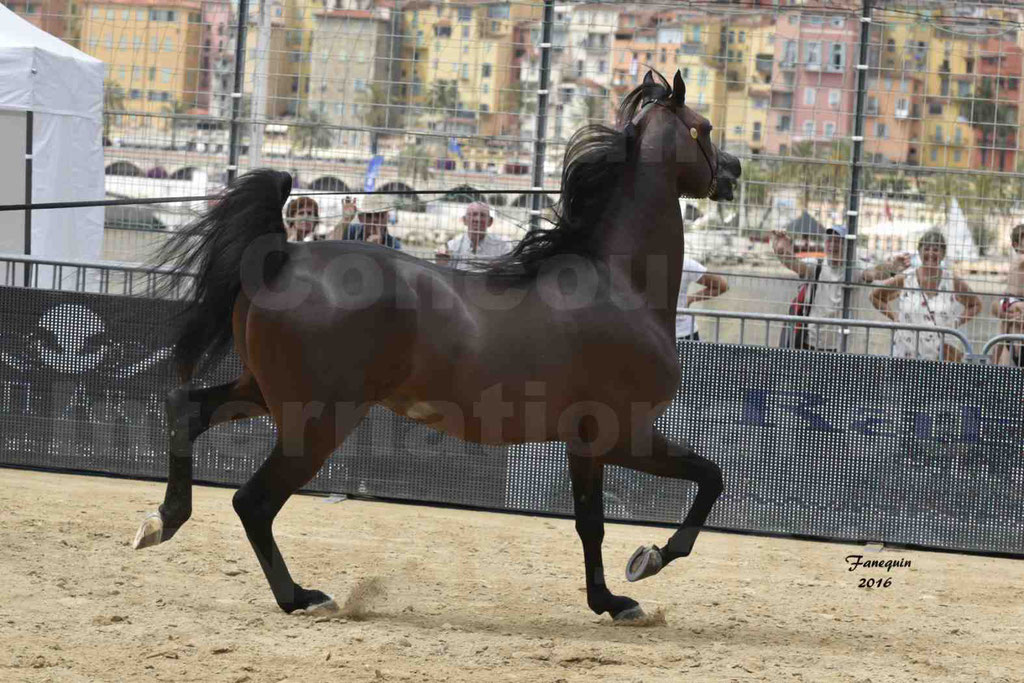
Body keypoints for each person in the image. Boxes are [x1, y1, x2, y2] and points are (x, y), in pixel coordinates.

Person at [771, 224, 910, 351]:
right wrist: (781, 251)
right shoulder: (816, 265)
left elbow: (874, 273)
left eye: (838, 241)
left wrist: (892, 267)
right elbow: (794, 264)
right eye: (829, 240)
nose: (832, 245)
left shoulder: (854, 268)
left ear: (848, 246)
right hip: (811, 340)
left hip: (841, 344)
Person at [870, 230, 981, 362]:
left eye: (936, 249)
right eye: (926, 248)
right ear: (919, 251)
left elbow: (976, 304)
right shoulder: (906, 277)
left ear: (943, 253)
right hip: (906, 352)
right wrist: (895, 318)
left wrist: (956, 322)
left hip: (940, 356)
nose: (931, 253)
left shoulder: (952, 280)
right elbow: (875, 296)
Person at [435, 201, 511, 270]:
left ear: (490, 222)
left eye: (483, 215)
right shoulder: (451, 247)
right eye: (473, 214)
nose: (477, 219)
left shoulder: (502, 246)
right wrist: (441, 265)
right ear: (464, 220)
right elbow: (445, 278)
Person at [991, 224, 1024, 366]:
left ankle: (995, 360)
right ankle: (995, 361)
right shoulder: (1020, 259)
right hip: (1013, 299)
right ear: (1016, 245)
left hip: (1010, 299)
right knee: (1008, 328)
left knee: (1005, 329)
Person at [676, 257, 728, 342]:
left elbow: (722, 286)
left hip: (654, 331)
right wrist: (691, 298)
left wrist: (690, 298)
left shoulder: (648, 261)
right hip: (685, 332)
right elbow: (722, 286)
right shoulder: (686, 264)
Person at [335, 193, 403, 249]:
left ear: (387, 218)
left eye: (380, 215)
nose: (374, 219)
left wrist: (377, 248)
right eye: (369, 215)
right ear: (360, 218)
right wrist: (345, 219)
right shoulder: (352, 231)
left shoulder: (394, 245)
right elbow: (331, 248)